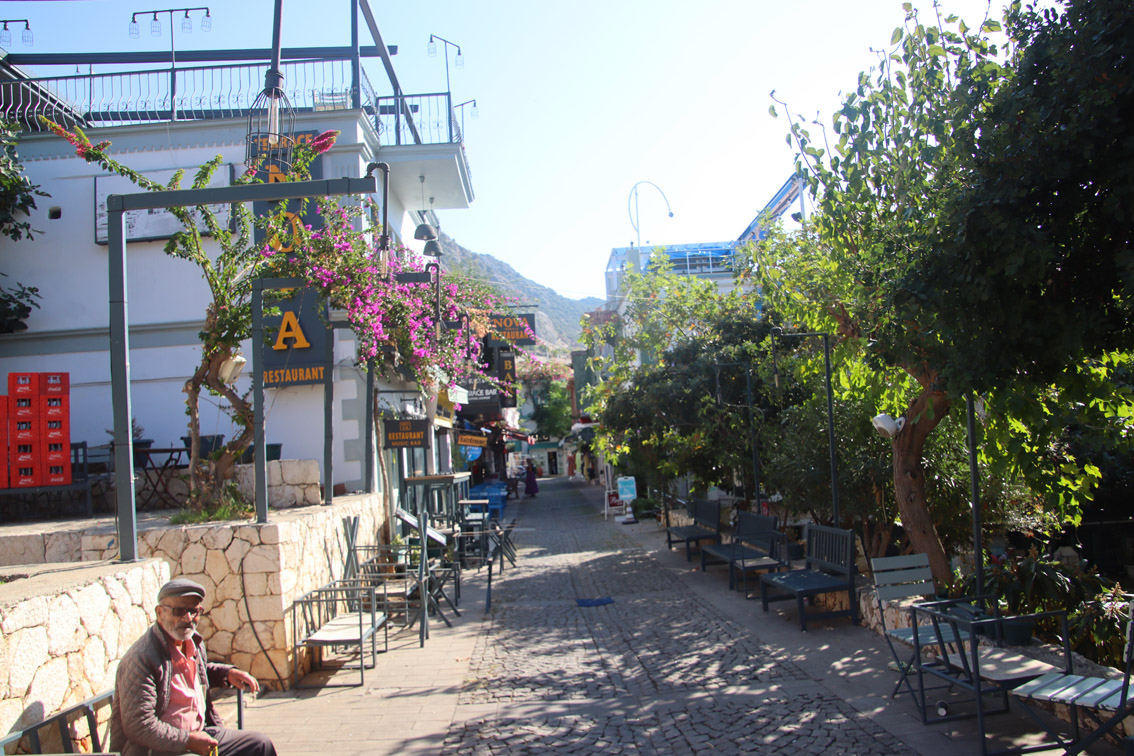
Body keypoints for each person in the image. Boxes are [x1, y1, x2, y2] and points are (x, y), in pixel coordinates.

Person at [110, 577, 277, 756]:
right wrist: (187, 740)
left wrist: (226, 674)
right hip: (160, 748)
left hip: (199, 733)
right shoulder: (142, 658)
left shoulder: (192, 642)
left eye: (194, 611)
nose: (188, 618)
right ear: (160, 613)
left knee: (260, 745)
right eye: (179, 611)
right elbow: (139, 725)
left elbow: (193, 674)